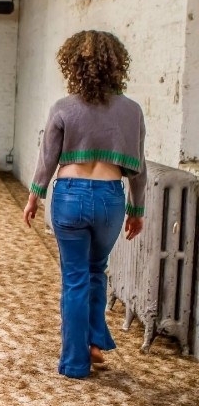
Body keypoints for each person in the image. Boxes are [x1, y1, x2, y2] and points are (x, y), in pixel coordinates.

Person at [22, 30, 146, 379]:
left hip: (70, 196)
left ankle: (76, 362)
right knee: (96, 271)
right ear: (117, 65)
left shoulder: (63, 108)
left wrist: (34, 195)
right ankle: (94, 342)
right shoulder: (132, 111)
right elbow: (138, 167)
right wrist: (137, 210)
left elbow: (47, 158)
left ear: (73, 65)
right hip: (109, 198)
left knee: (75, 278)